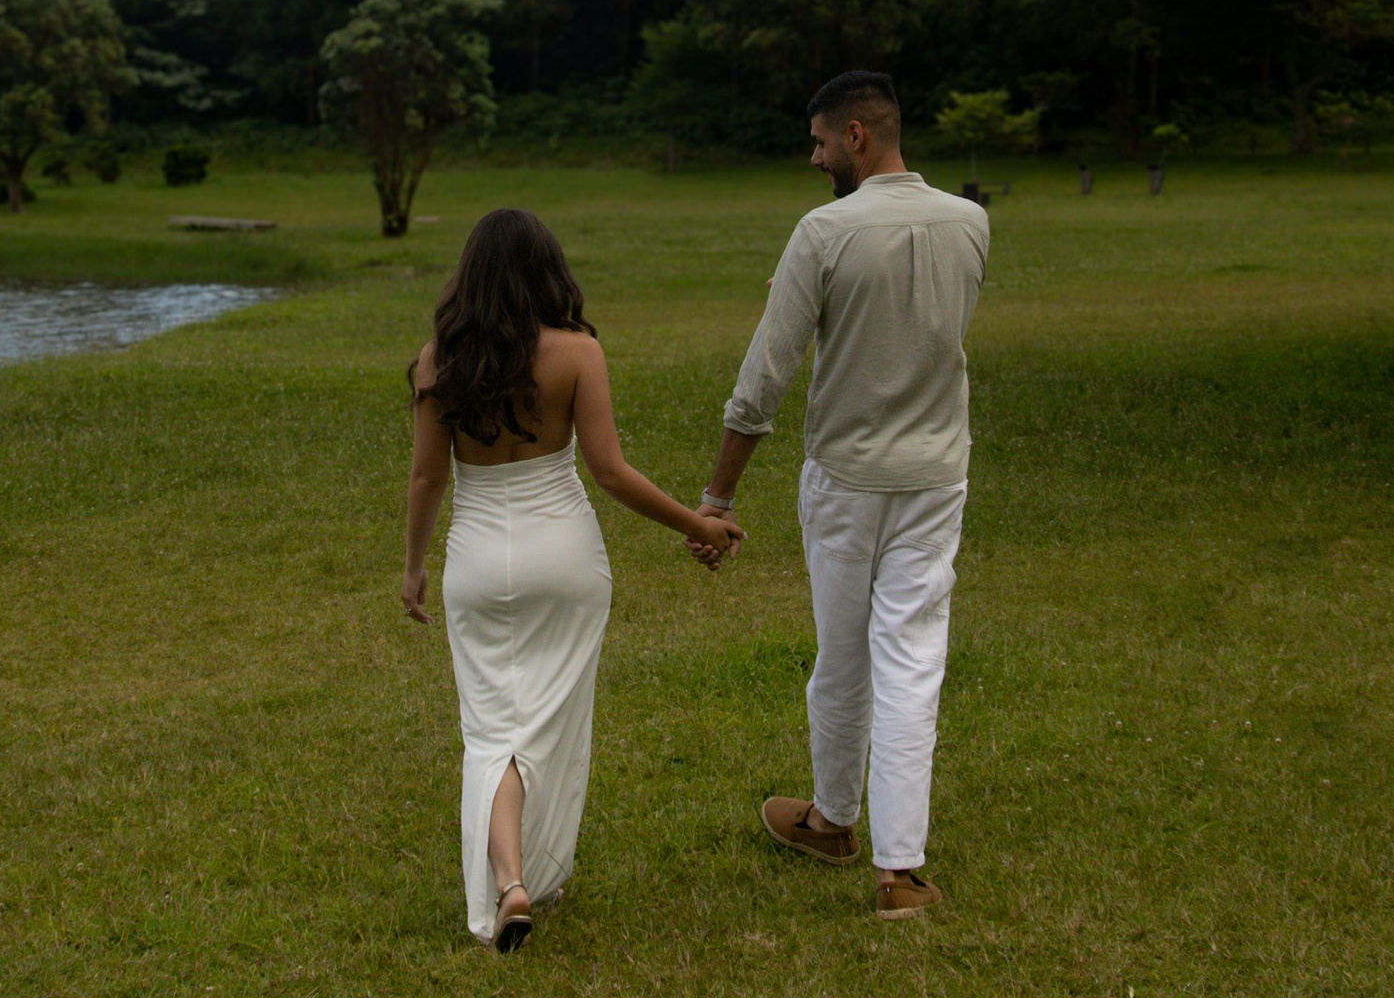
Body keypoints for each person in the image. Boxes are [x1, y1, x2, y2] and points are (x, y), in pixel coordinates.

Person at [405, 207, 741, 951]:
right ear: (545, 272)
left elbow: (428, 477)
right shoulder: (577, 354)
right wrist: (699, 524)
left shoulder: (436, 363)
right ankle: (532, 876)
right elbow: (612, 474)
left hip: (478, 562)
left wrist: (412, 569)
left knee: (492, 728)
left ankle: (513, 880)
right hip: (566, 556)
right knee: (551, 721)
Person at [701, 70, 989, 921]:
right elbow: (921, 321)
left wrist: (717, 493)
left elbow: (765, 376)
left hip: (846, 478)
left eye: (822, 141)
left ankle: (832, 821)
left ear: (858, 136)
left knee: (844, 656)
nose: (815, 156)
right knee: (913, 662)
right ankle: (899, 873)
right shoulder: (971, 224)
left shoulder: (822, 231)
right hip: (937, 474)